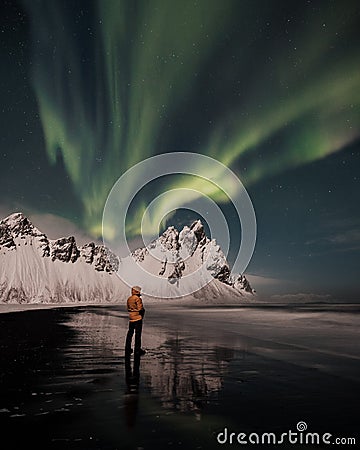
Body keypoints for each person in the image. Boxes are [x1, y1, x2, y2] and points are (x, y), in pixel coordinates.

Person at [125, 286, 146, 356]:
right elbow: (140, 309)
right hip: (137, 318)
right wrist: (142, 313)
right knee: (138, 334)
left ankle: (127, 348)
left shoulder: (129, 299)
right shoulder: (138, 299)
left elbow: (128, 308)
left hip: (131, 318)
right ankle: (137, 349)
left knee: (130, 333)